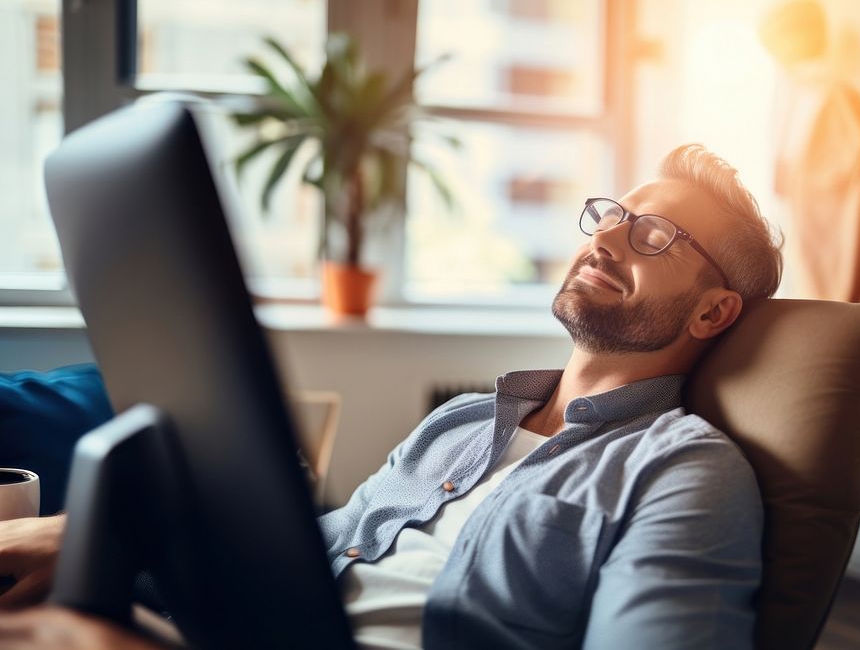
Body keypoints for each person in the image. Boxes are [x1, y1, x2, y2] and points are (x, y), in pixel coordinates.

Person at [0, 144, 783, 649]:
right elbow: (321, 550)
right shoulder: (463, 419)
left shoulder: (686, 472)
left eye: (654, 236)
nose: (607, 237)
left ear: (713, 311)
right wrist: (111, 533)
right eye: (613, 215)